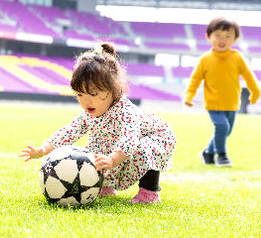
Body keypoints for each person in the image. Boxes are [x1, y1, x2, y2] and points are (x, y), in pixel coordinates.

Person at [20, 42, 176, 204]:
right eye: (80, 94)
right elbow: (70, 131)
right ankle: (105, 185)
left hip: (154, 136)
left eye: (93, 93)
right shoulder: (90, 113)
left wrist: (112, 160)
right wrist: (44, 149)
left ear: (113, 88)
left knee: (142, 149)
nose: (86, 101)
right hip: (119, 141)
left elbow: (129, 141)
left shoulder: (126, 112)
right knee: (95, 150)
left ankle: (149, 192)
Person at [184, 17, 260, 167]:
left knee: (226, 131)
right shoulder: (205, 59)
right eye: (217, 34)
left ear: (235, 39)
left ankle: (208, 152)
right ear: (208, 36)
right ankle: (222, 156)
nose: (222, 39)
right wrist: (189, 96)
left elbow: (248, 76)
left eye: (228, 36)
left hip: (232, 104)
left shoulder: (237, 57)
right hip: (213, 104)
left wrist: (255, 92)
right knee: (222, 127)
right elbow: (195, 80)